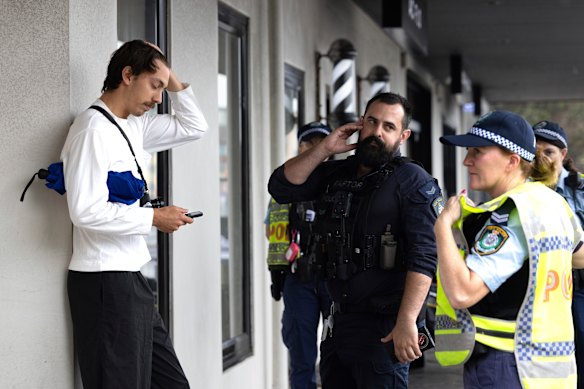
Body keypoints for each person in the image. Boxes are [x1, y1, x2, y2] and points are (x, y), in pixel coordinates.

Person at [268, 92, 443, 389]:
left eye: (388, 126)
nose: (376, 132)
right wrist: (324, 148)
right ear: (360, 124)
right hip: (339, 326)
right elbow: (281, 187)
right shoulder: (337, 173)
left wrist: (407, 320)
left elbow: (424, 255)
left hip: (384, 327)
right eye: (372, 122)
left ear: (403, 135)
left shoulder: (413, 181)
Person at [61, 40, 208, 389]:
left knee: (171, 384)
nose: (159, 98)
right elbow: (84, 210)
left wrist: (169, 75)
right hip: (104, 281)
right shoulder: (91, 131)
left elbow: (195, 126)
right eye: (154, 86)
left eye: (162, 87)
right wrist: (154, 219)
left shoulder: (133, 127)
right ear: (128, 75)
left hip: (130, 278)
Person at [434, 111, 584, 388]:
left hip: (507, 366)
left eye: (477, 152)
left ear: (512, 161)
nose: (467, 161)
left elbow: (462, 292)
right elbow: (579, 256)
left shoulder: (511, 215)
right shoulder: (552, 203)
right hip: (551, 370)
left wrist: (443, 226)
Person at [265, 121, 333, 389]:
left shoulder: (342, 182)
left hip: (334, 279)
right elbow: (272, 233)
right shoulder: (286, 187)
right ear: (301, 147)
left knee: (337, 352)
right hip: (298, 277)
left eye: (321, 143)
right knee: (301, 354)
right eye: (310, 143)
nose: (315, 149)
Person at [533, 120, 584, 389]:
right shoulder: (524, 189)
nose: (541, 158)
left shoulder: (582, 189)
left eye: (549, 151)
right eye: (535, 151)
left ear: (563, 154)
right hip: (542, 289)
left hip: (580, 288)